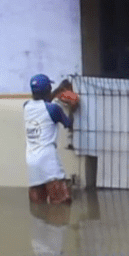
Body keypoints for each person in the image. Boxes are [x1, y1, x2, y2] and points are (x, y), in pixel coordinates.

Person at [24, 74, 77, 204]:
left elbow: (42, 103)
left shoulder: (26, 106)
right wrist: (72, 107)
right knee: (62, 202)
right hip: (48, 160)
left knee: (38, 203)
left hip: (32, 160)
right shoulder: (54, 109)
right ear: (48, 90)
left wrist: (57, 91)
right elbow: (68, 123)